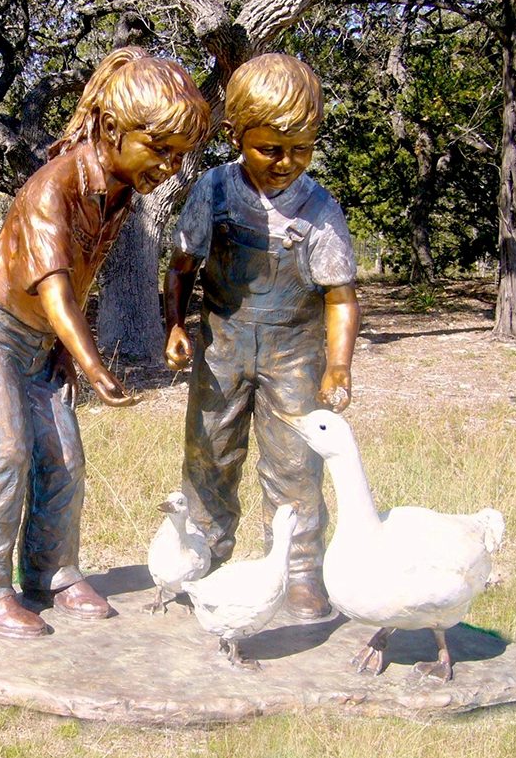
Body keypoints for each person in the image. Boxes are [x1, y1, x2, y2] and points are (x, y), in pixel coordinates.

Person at [0, 47, 210, 639]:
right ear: (111, 128)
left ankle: (51, 573)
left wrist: (63, 350)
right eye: (160, 149)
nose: (170, 166)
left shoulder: (118, 193)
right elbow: (55, 288)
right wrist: (93, 362)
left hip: (40, 344)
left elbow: (80, 278)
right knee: (5, 452)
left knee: (63, 457)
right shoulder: (50, 188)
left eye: (179, 155)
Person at [163, 53, 360, 621]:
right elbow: (182, 266)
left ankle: (300, 571)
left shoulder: (321, 209)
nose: (285, 162)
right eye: (270, 148)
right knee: (209, 455)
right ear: (234, 134)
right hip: (221, 349)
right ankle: (203, 556)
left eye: (300, 149)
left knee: (296, 463)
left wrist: (339, 366)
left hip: (295, 354)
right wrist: (175, 324)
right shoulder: (213, 192)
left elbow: (340, 296)